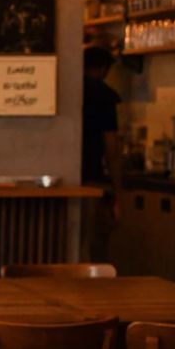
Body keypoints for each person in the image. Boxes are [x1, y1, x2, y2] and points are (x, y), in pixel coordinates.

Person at [81, 45, 123, 261]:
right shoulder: (104, 96)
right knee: (93, 249)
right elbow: (112, 149)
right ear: (104, 69)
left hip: (65, 182)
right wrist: (117, 193)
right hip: (91, 181)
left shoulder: (68, 90)